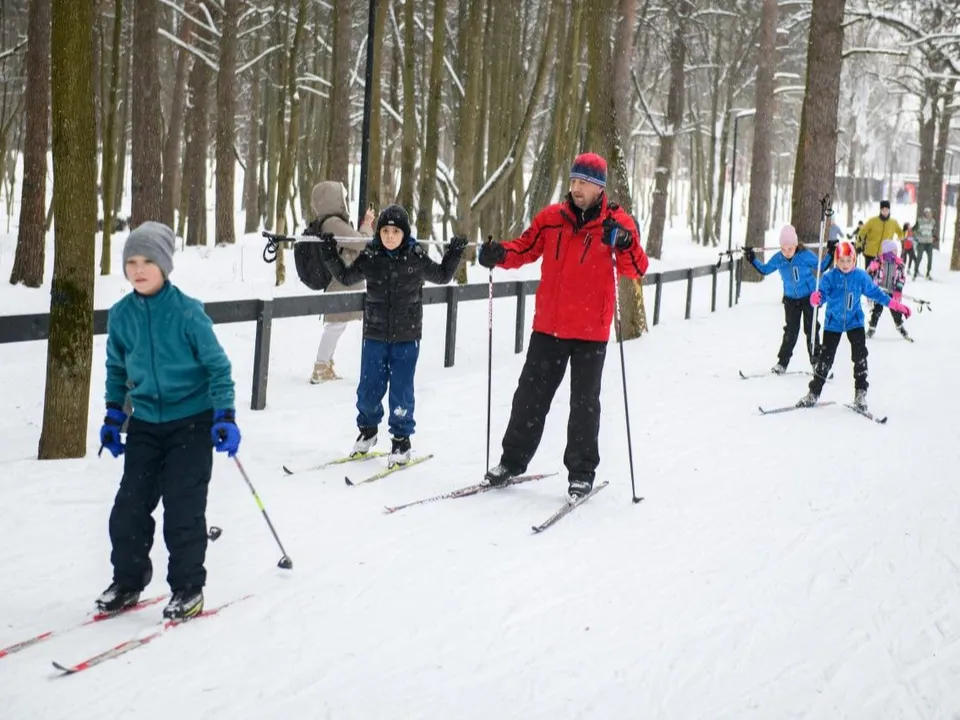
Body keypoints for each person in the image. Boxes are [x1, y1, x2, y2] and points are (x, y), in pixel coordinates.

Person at [477, 152, 649, 501]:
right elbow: (523, 249)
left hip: (590, 332)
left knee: (584, 406)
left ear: (599, 187)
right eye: (573, 182)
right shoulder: (552, 219)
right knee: (529, 399)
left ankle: (581, 473)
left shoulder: (616, 225)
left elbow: (636, 268)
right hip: (549, 328)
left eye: (582, 183)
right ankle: (510, 462)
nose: (575, 188)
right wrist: (498, 254)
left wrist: (626, 243)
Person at [97, 222, 240, 621]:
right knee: (129, 508)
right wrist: (113, 413)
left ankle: (188, 588)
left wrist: (224, 415)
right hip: (145, 423)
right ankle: (127, 581)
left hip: (191, 424)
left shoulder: (187, 312)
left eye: (147, 262)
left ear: (165, 265)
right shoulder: (122, 315)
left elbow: (218, 368)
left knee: (183, 508)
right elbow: (116, 369)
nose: (138, 270)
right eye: (131, 262)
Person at [319, 204, 467, 466]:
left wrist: (454, 252)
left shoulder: (415, 257)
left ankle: (401, 439)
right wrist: (329, 252)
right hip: (375, 334)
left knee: (401, 389)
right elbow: (344, 275)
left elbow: (443, 275)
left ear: (404, 233)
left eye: (395, 231)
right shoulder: (370, 257)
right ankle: (368, 430)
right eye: (385, 230)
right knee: (368, 388)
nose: (389, 236)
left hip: (407, 337)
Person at [796, 240, 911, 412]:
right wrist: (817, 299)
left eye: (848, 260)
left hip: (854, 322)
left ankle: (860, 393)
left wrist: (896, 305)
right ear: (836, 260)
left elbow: (877, 294)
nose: (845, 264)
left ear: (854, 260)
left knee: (860, 356)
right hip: (833, 323)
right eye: (841, 261)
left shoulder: (860, 277)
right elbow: (822, 295)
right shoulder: (829, 277)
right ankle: (813, 392)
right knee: (825, 359)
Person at [307, 181, 375, 383]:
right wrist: (367, 225)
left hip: (339, 280)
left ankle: (325, 364)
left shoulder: (330, 222)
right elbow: (361, 242)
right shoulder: (333, 223)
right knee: (335, 325)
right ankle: (320, 367)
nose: (344, 201)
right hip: (339, 281)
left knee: (337, 325)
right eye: (342, 197)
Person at [743, 224, 833, 373]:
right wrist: (752, 259)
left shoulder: (805, 255)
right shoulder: (779, 258)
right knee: (790, 331)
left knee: (811, 330)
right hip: (790, 300)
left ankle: (816, 362)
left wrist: (831, 251)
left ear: (796, 245)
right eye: (783, 249)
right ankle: (782, 363)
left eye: (790, 249)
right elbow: (765, 270)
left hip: (809, 298)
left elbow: (822, 266)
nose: (786, 252)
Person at [866, 239, 910, 340]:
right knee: (877, 310)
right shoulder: (879, 262)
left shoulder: (899, 264)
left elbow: (902, 277)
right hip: (879, 292)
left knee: (896, 311)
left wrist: (899, 286)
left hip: (892, 292)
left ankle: (900, 327)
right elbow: (868, 272)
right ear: (889, 251)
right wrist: (871, 278)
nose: (896, 252)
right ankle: (871, 328)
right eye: (894, 250)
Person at [857, 200, 903, 269]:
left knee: (881, 277)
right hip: (870, 254)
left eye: (887, 210)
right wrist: (859, 245)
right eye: (883, 210)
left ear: (889, 210)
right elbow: (861, 233)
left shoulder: (893, 223)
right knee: (869, 277)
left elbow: (901, 234)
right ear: (880, 210)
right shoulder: (872, 221)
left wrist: (904, 232)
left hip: (885, 255)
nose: (885, 212)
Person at [913, 206, 936, 280]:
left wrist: (934, 237)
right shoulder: (919, 221)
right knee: (919, 257)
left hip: (929, 243)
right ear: (924, 214)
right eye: (927, 213)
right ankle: (915, 272)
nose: (929, 214)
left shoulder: (933, 221)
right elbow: (914, 230)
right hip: (921, 243)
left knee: (930, 258)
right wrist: (917, 237)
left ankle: (928, 273)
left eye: (930, 213)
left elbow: (933, 231)